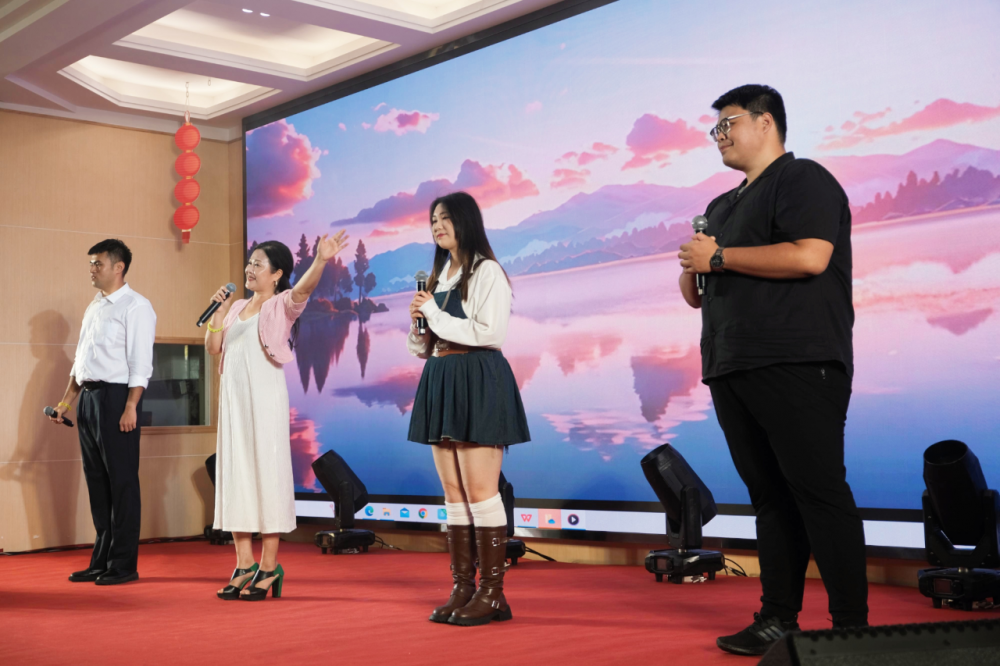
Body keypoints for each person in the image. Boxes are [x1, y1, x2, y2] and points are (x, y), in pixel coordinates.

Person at [678, 84, 868, 655]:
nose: (719, 136)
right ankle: (777, 619)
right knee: (769, 498)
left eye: (728, 123)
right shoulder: (720, 206)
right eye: (714, 128)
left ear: (766, 123)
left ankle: (852, 631)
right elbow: (697, 294)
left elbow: (810, 255)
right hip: (731, 364)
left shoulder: (802, 178)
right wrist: (693, 263)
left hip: (797, 359)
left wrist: (719, 256)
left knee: (819, 492)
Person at [407, 191, 530, 626]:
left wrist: (434, 313)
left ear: (466, 221)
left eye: (445, 218)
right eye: (433, 220)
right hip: (441, 376)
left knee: (481, 491)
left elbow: (489, 332)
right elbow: (426, 344)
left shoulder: (487, 271)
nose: (437, 226)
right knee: (454, 494)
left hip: (477, 377)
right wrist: (420, 327)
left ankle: (492, 592)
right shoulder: (439, 276)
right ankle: (463, 587)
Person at [205, 232, 348, 601]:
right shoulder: (235, 307)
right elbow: (214, 347)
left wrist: (320, 260)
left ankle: (269, 567)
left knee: (267, 476)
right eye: (249, 262)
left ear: (277, 274)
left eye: (258, 264)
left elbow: (303, 290)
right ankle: (244, 565)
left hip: (265, 401)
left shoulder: (281, 306)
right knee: (236, 477)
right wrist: (218, 312)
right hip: (234, 403)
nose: (250, 268)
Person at [50, 239, 156, 585]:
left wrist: (131, 406)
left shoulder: (136, 306)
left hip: (118, 399)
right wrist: (67, 401)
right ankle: (101, 560)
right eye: (90, 264)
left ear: (118, 267)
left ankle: (123, 564)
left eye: (97, 263)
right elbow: (81, 360)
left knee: (122, 483)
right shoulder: (94, 306)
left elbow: (141, 364)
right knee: (97, 482)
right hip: (89, 398)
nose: (92, 269)